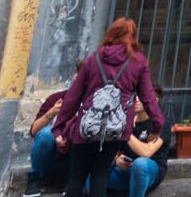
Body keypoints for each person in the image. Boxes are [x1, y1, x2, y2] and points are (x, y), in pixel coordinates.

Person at [54, 19, 164, 197]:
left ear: (110, 34)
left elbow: (73, 96)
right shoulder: (138, 63)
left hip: (87, 126)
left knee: (76, 178)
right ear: (133, 37)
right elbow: (148, 97)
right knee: (100, 175)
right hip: (115, 128)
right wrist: (157, 125)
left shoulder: (94, 59)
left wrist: (59, 126)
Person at [106, 95, 172, 197]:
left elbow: (146, 152)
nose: (136, 99)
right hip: (126, 171)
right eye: (133, 95)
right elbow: (113, 149)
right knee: (94, 169)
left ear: (154, 99)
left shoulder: (160, 123)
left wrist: (124, 130)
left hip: (149, 172)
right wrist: (116, 160)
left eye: (140, 95)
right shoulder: (126, 120)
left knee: (140, 164)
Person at [28, 88, 70, 185]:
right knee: (46, 135)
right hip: (51, 157)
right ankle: (35, 178)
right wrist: (51, 112)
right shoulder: (56, 98)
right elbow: (33, 131)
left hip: (77, 161)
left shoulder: (93, 100)